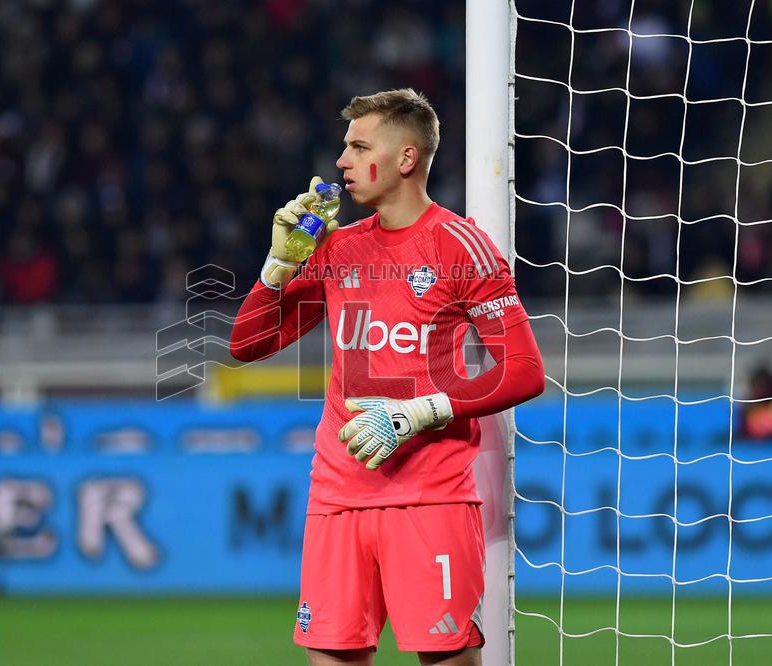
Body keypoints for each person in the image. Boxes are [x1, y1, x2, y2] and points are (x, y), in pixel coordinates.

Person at [229, 89, 545, 666]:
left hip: (430, 500)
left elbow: (524, 371)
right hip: (336, 497)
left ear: (405, 158)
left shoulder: (460, 247)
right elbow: (247, 344)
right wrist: (277, 266)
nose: (341, 162)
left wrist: (420, 412)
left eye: (357, 146)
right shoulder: (339, 248)